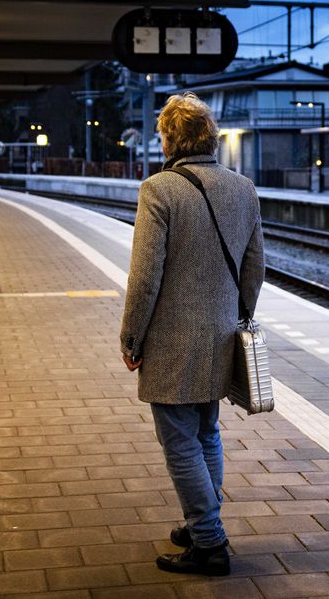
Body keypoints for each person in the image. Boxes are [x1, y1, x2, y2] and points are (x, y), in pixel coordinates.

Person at [119, 92, 264, 577]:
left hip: (172, 342)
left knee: (179, 441)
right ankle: (203, 519)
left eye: (161, 133)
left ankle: (209, 541)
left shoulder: (158, 190)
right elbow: (255, 268)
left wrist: (131, 337)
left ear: (172, 138)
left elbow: (144, 278)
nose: (159, 141)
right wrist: (236, 315)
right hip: (220, 335)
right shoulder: (243, 188)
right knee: (206, 433)